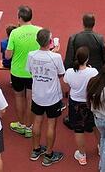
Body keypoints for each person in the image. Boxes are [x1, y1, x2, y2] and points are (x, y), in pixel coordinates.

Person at [27, 28, 66, 166]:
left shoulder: (31, 55)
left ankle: (36, 149)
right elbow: (61, 74)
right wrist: (54, 53)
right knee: (51, 124)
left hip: (37, 95)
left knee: (37, 122)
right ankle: (49, 154)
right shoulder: (56, 57)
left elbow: (30, 71)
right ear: (50, 42)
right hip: (52, 97)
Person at [5, 5, 41, 138]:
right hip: (33, 72)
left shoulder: (14, 33)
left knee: (19, 97)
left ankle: (21, 124)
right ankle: (29, 127)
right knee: (30, 98)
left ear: (20, 18)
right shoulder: (39, 31)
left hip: (17, 72)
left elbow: (8, 55)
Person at [63, 46, 99, 166]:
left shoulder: (70, 72)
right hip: (89, 103)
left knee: (78, 129)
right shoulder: (93, 72)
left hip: (75, 104)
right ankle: (101, 147)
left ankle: (82, 155)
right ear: (87, 59)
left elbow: (66, 81)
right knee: (95, 126)